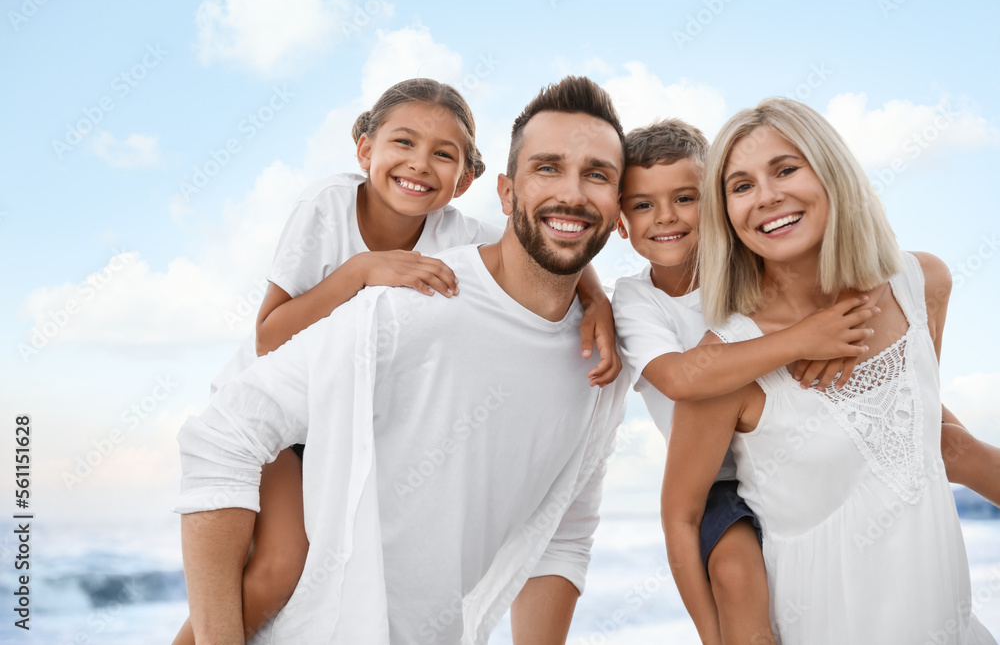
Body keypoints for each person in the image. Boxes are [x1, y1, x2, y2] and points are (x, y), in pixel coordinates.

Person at [175, 75, 630, 644]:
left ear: (467, 180)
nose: (419, 165)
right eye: (548, 167)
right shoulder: (337, 222)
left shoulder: (459, 237)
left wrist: (597, 299)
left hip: (335, 422)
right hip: (278, 398)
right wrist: (359, 273)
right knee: (278, 565)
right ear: (364, 148)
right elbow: (265, 346)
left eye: (597, 175)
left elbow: (555, 235)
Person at [661, 98, 997, 643]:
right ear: (725, 214)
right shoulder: (726, 364)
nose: (768, 197)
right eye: (741, 186)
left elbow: (922, 436)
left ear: (830, 170)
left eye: (786, 168)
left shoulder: (920, 284)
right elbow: (684, 518)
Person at [612, 119, 881, 644]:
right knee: (736, 572)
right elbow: (677, 378)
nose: (665, 217)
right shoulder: (635, 299)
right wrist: (804, 339)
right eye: (642, 205)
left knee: (942, 440)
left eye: (685, 198)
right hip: (717, 481)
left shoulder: (758, 267)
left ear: (713, 203)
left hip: (802, 451)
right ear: (621, 222)